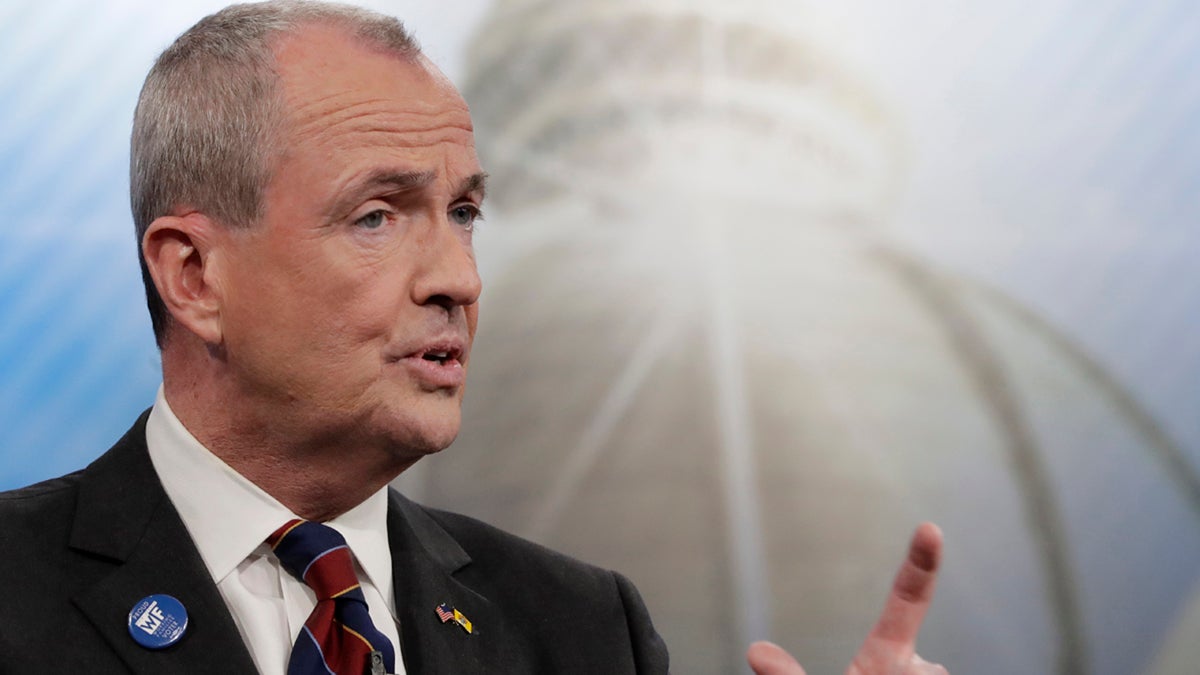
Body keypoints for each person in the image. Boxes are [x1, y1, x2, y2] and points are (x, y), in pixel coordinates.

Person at [0, 2, 947, 674]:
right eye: (378, 216)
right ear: (195, 276)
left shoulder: (586, 631)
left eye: (463, 213)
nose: (459, 276)